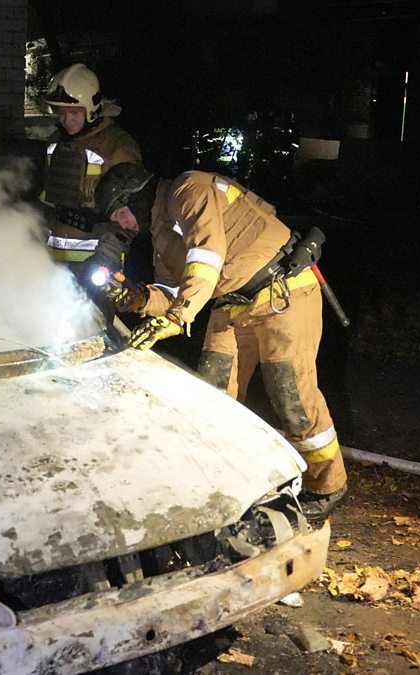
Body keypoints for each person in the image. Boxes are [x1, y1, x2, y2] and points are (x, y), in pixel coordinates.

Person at [91, 162, 348, 523]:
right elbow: (172, 291)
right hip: (232, 304)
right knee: (212, 398)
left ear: (135, 197)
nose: (122, 224)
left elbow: (206, 256)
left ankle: (327, 486)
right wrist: (138, 298)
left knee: (290, 393)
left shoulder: (188, 189)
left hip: (283, 291)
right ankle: (225, 483)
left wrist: (178, 317)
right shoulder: (161, 234)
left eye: (120, 214)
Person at [40, 64, 142, 268]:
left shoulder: (118, 147)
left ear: (91, 109)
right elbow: (48, 199)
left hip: (97, 262)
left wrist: (105, 258)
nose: (66, 120)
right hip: (53, 260)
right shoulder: (56, 143)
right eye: (60, 112)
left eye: (74, 112)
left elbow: (133, 217)